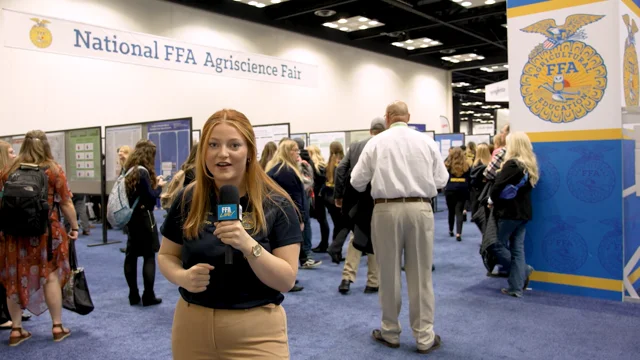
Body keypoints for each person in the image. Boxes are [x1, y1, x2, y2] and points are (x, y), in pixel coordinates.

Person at [158, 109, 302, 359]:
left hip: (257, 332)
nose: (222, 154)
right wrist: (182, 276)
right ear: (203, 151)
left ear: (249, 152)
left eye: (234, 145)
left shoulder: (276, 203)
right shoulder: (188, 198)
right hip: (192, 327)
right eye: (213, 144)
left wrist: (248, 245)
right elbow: (166, 255)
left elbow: (286, 281)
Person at [351, 101, 448, 354]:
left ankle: (390, 332)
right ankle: (424, 336)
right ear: (409, 116)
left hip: (385, 210)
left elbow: (357, 181)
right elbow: (441, 180)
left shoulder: (376, 142)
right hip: (421, 208)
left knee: (388, 274)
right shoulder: (426, 141)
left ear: (387, 118)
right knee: (421, 275)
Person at [0, 131, 78, 346]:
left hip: (14, 234)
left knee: (14, 278)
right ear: (45, 146)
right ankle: (57, 326)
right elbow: (66, 203)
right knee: (50, 276)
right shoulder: (53, 170)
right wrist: (74, 227)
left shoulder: (8, 170)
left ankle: (16, 329)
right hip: (46, 232)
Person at [334, 117, 385, 295]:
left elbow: (340, 169)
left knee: (356, 237)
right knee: (376, 239)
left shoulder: (355, 146)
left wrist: (339, 195)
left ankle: (347, 277)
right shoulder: (386, 144)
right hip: (379, 200)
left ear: (370, 130)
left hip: (357, 200)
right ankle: (373, 281)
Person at [489, 132, 538, 298]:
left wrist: (492, 200)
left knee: (497, 245)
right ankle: (516, 288)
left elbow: (496, 188)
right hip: (523, 213)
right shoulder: (530, 165)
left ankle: (523, 270)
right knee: (517, 249)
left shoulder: (512, 165)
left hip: (509, 212)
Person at [266, 140, 321, 274]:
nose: (298, 153)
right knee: (286, 250)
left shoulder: (277, 168)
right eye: (295, 150)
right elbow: (295, 198)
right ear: (287, 152)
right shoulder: (287, 171)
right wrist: (300, 219)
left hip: (276, 214)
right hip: (285, 216)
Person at [122, 140, 166, 307]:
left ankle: (133, 295)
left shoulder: (128, 170)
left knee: (131, 256)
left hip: (131, 219)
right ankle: (148, 295)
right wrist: (159, 187)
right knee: (149, 256)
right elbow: (150, 199)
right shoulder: (143, 173)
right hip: (144, 218)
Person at [323, 142, 346, 263]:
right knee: (343, 226)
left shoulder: (328, 164)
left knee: (337, 225)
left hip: (328, 199)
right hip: (339, 198)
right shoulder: (343, 163)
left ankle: (335, 251)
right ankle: (336, 250)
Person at [444, 147, 471, 242]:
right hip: (462, 190)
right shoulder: (466, 165)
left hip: (450, 190)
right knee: (459, 211)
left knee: (451, 211)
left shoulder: (447, 165)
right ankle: (458, 233)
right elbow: (469, 179)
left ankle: (451, 230)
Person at [307, 145, 330, 253]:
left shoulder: (313, 166)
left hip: (317, 197)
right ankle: (324, 243)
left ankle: (324, 244)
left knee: (322, 220)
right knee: (322, 220)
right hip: (321, 196)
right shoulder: (322, 165)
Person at [118, 145, 132, 253]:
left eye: (124, 152)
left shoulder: (131, 168)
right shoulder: (122, 167)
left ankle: (131, 246)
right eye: (120, 152)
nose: (120, 153)